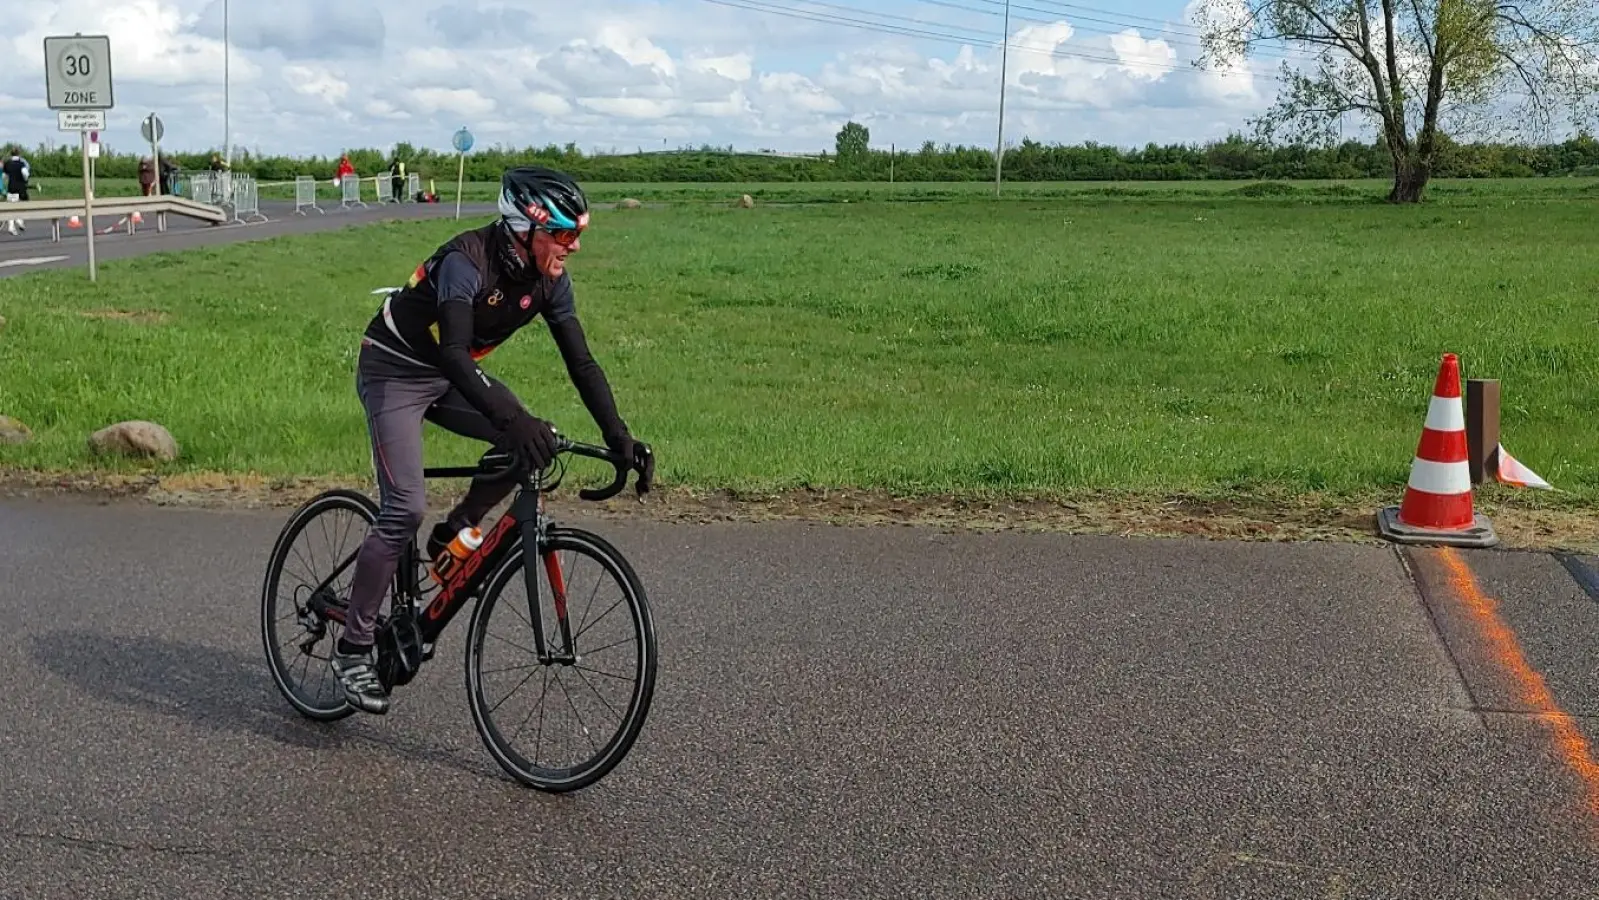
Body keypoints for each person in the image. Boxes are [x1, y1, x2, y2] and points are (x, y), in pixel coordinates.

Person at [334, 165, 655, 714]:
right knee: (404, 507)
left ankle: (456, 530)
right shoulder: (466, 263)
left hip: (447, 374)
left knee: (537, 442)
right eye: (563, 235)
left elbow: (581, 361)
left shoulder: (549, 279)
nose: (572, 247)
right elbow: (457, 354)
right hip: (393, 372)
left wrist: (620, 436)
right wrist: (512, 415)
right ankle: (354, 647)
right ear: (523, 229)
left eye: (576, 235)